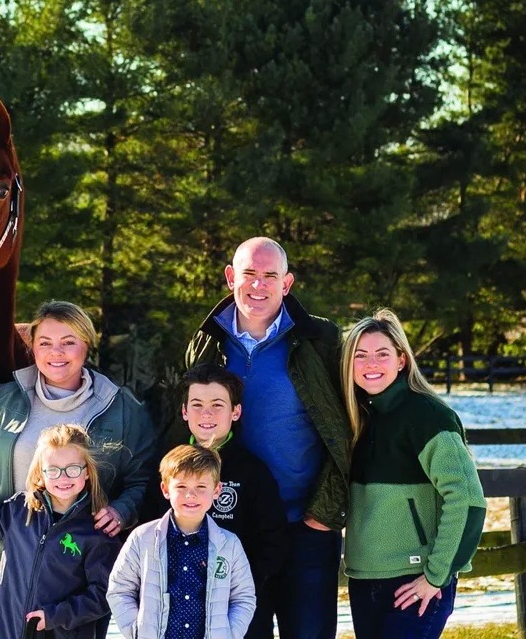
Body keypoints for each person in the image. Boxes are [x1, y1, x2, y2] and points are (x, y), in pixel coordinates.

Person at [0, 300, 156, 612]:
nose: (57, 353)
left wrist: (122, 510)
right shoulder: (4, 400)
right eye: (45, 343)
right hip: (10, 559)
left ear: (87, 346)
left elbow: (143, 479)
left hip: (82, 563)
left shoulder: (119, 407)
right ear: (34, 349)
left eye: (69, 343)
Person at [182, 236, 350, 638]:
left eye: (269, 276)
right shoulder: (206, 342)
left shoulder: (320, 341)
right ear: (230, 277)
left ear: (286, 284)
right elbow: (188, 427)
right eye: (249, 274)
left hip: (305, 525)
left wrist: (324, 514)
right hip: (233, 525)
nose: (258, 285)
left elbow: (347, 428)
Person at [341, 308, 486, 639]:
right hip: (364, 579)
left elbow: (467, 499)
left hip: (416, 579)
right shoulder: (354, 418)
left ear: (402, 360)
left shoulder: (427, 416)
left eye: (382, 354)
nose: (371, 364)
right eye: (360, 355)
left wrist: (437, 574)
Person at [0, 423, 121, 639]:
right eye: (53, 470)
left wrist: (55, 616)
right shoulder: (20, 510)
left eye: (73, 469)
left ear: (86, 471)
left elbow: (103, 595)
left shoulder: (96, 532)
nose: (63, 478)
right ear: (41, 472)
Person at [156, 363, 287, 638]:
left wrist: (234, 585)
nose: (206, 413)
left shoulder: (253, 471)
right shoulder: (167, 465)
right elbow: (149, 530)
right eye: (197, 404)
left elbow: (272, 541)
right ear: (184, 411)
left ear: (235, 411)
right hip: (175, 605)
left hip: (237, 607)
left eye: (218, 404)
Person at [107, 445, 256, 639]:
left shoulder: (229, 544)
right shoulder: (142, 538)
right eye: (181, 487)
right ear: (165, 489)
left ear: (217, 490)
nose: (190, 495)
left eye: (201, 487)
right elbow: (119, 588)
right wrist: (136, 631)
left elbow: (243, 598)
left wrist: (229, 634)